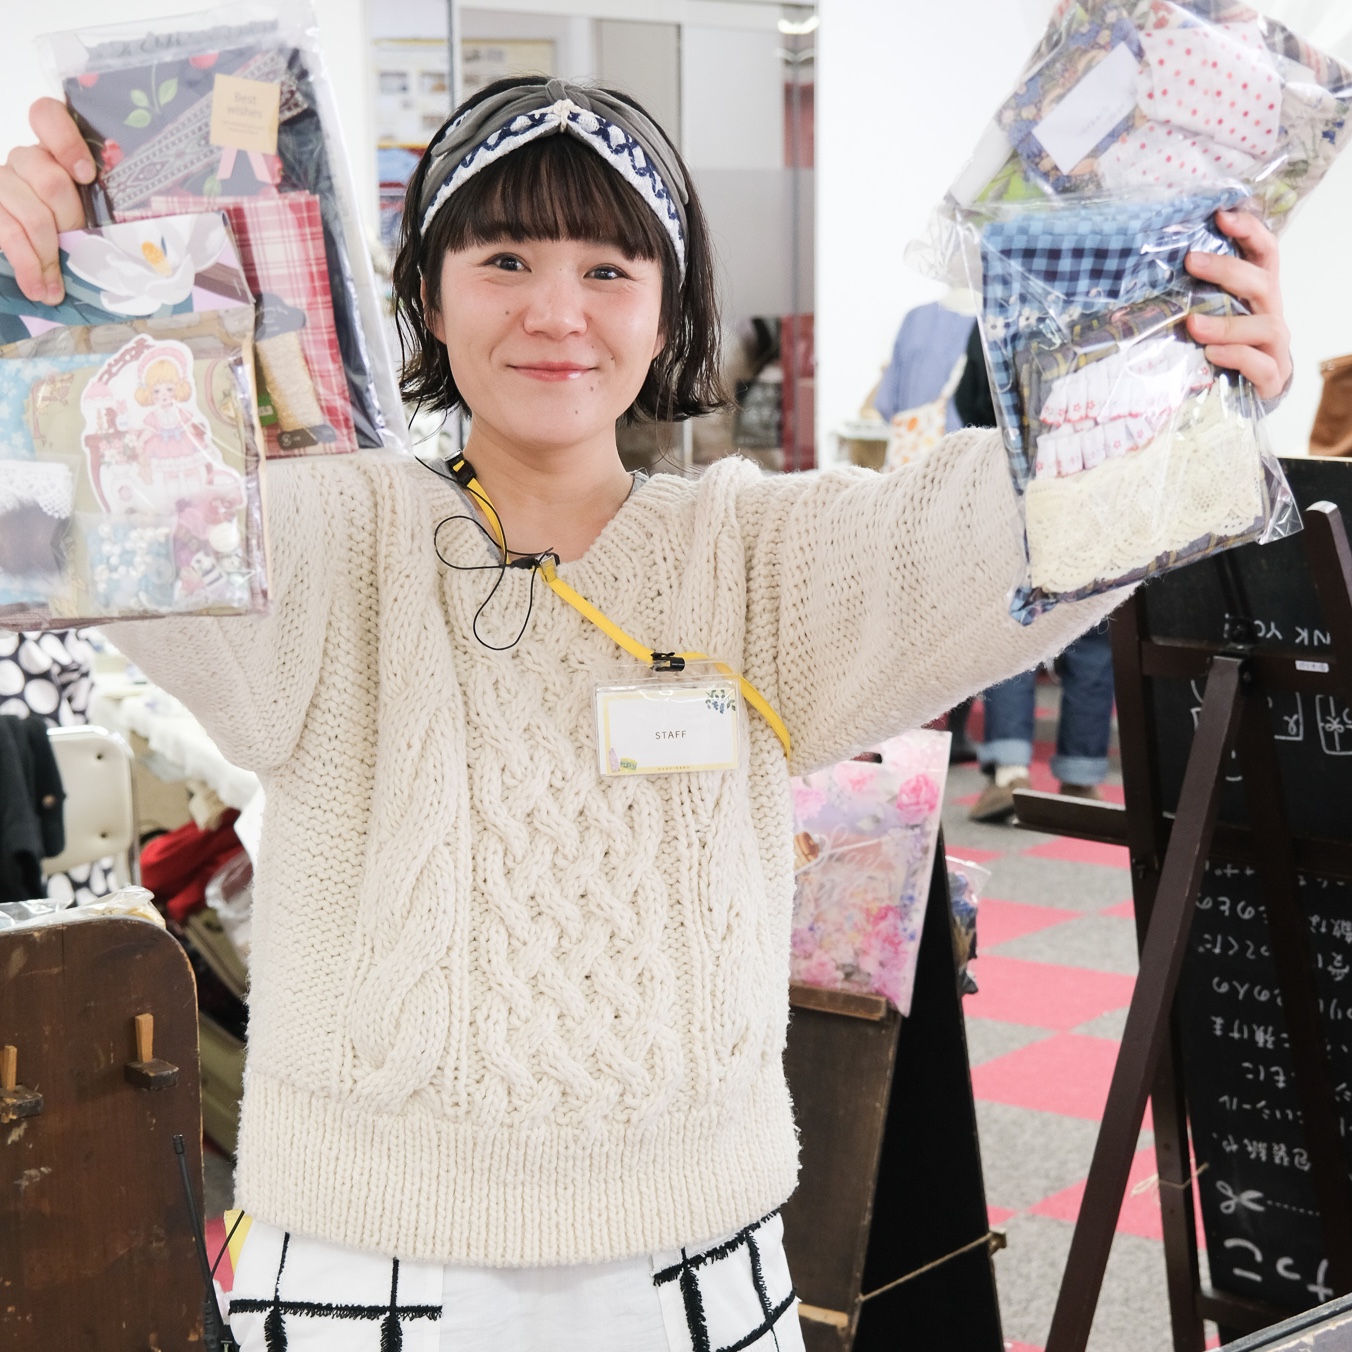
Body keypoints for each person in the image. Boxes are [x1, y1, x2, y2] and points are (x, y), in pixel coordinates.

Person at [0, 77, 1293, 1350]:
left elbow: (1003, 528)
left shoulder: (752, 557)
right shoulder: (331, 534)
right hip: (364, 1263)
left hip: (693, 1268)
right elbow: (104, 513)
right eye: (505, 258)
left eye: (610, 269)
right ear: (428, 296)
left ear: (669, 310)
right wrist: (47, 294)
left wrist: (1191, 378)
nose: (556, 311)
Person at [951, 322, 1122, 821]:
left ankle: (1009, 775)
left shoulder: (998, 311)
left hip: (1016, 486)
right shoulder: (1117, 306)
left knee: (1014, 629)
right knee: (1093, 637)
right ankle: (1082, 780)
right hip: (1098, 484)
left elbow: (970, 400)